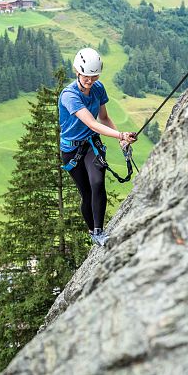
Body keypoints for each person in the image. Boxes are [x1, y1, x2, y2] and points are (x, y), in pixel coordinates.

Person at [59, 48, 136, 246]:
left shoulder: (98, 88)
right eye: (86, 76)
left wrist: (121, 140)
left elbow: (104, 118)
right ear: (77, 71)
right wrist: (120, 135)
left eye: (94, 76)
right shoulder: (69, 96)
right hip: (72, 150)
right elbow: (92, 123)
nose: (90, 80)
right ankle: (92, 231)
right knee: (86, 193)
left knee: (97, 182)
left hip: (91, 144)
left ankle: (100, 232)